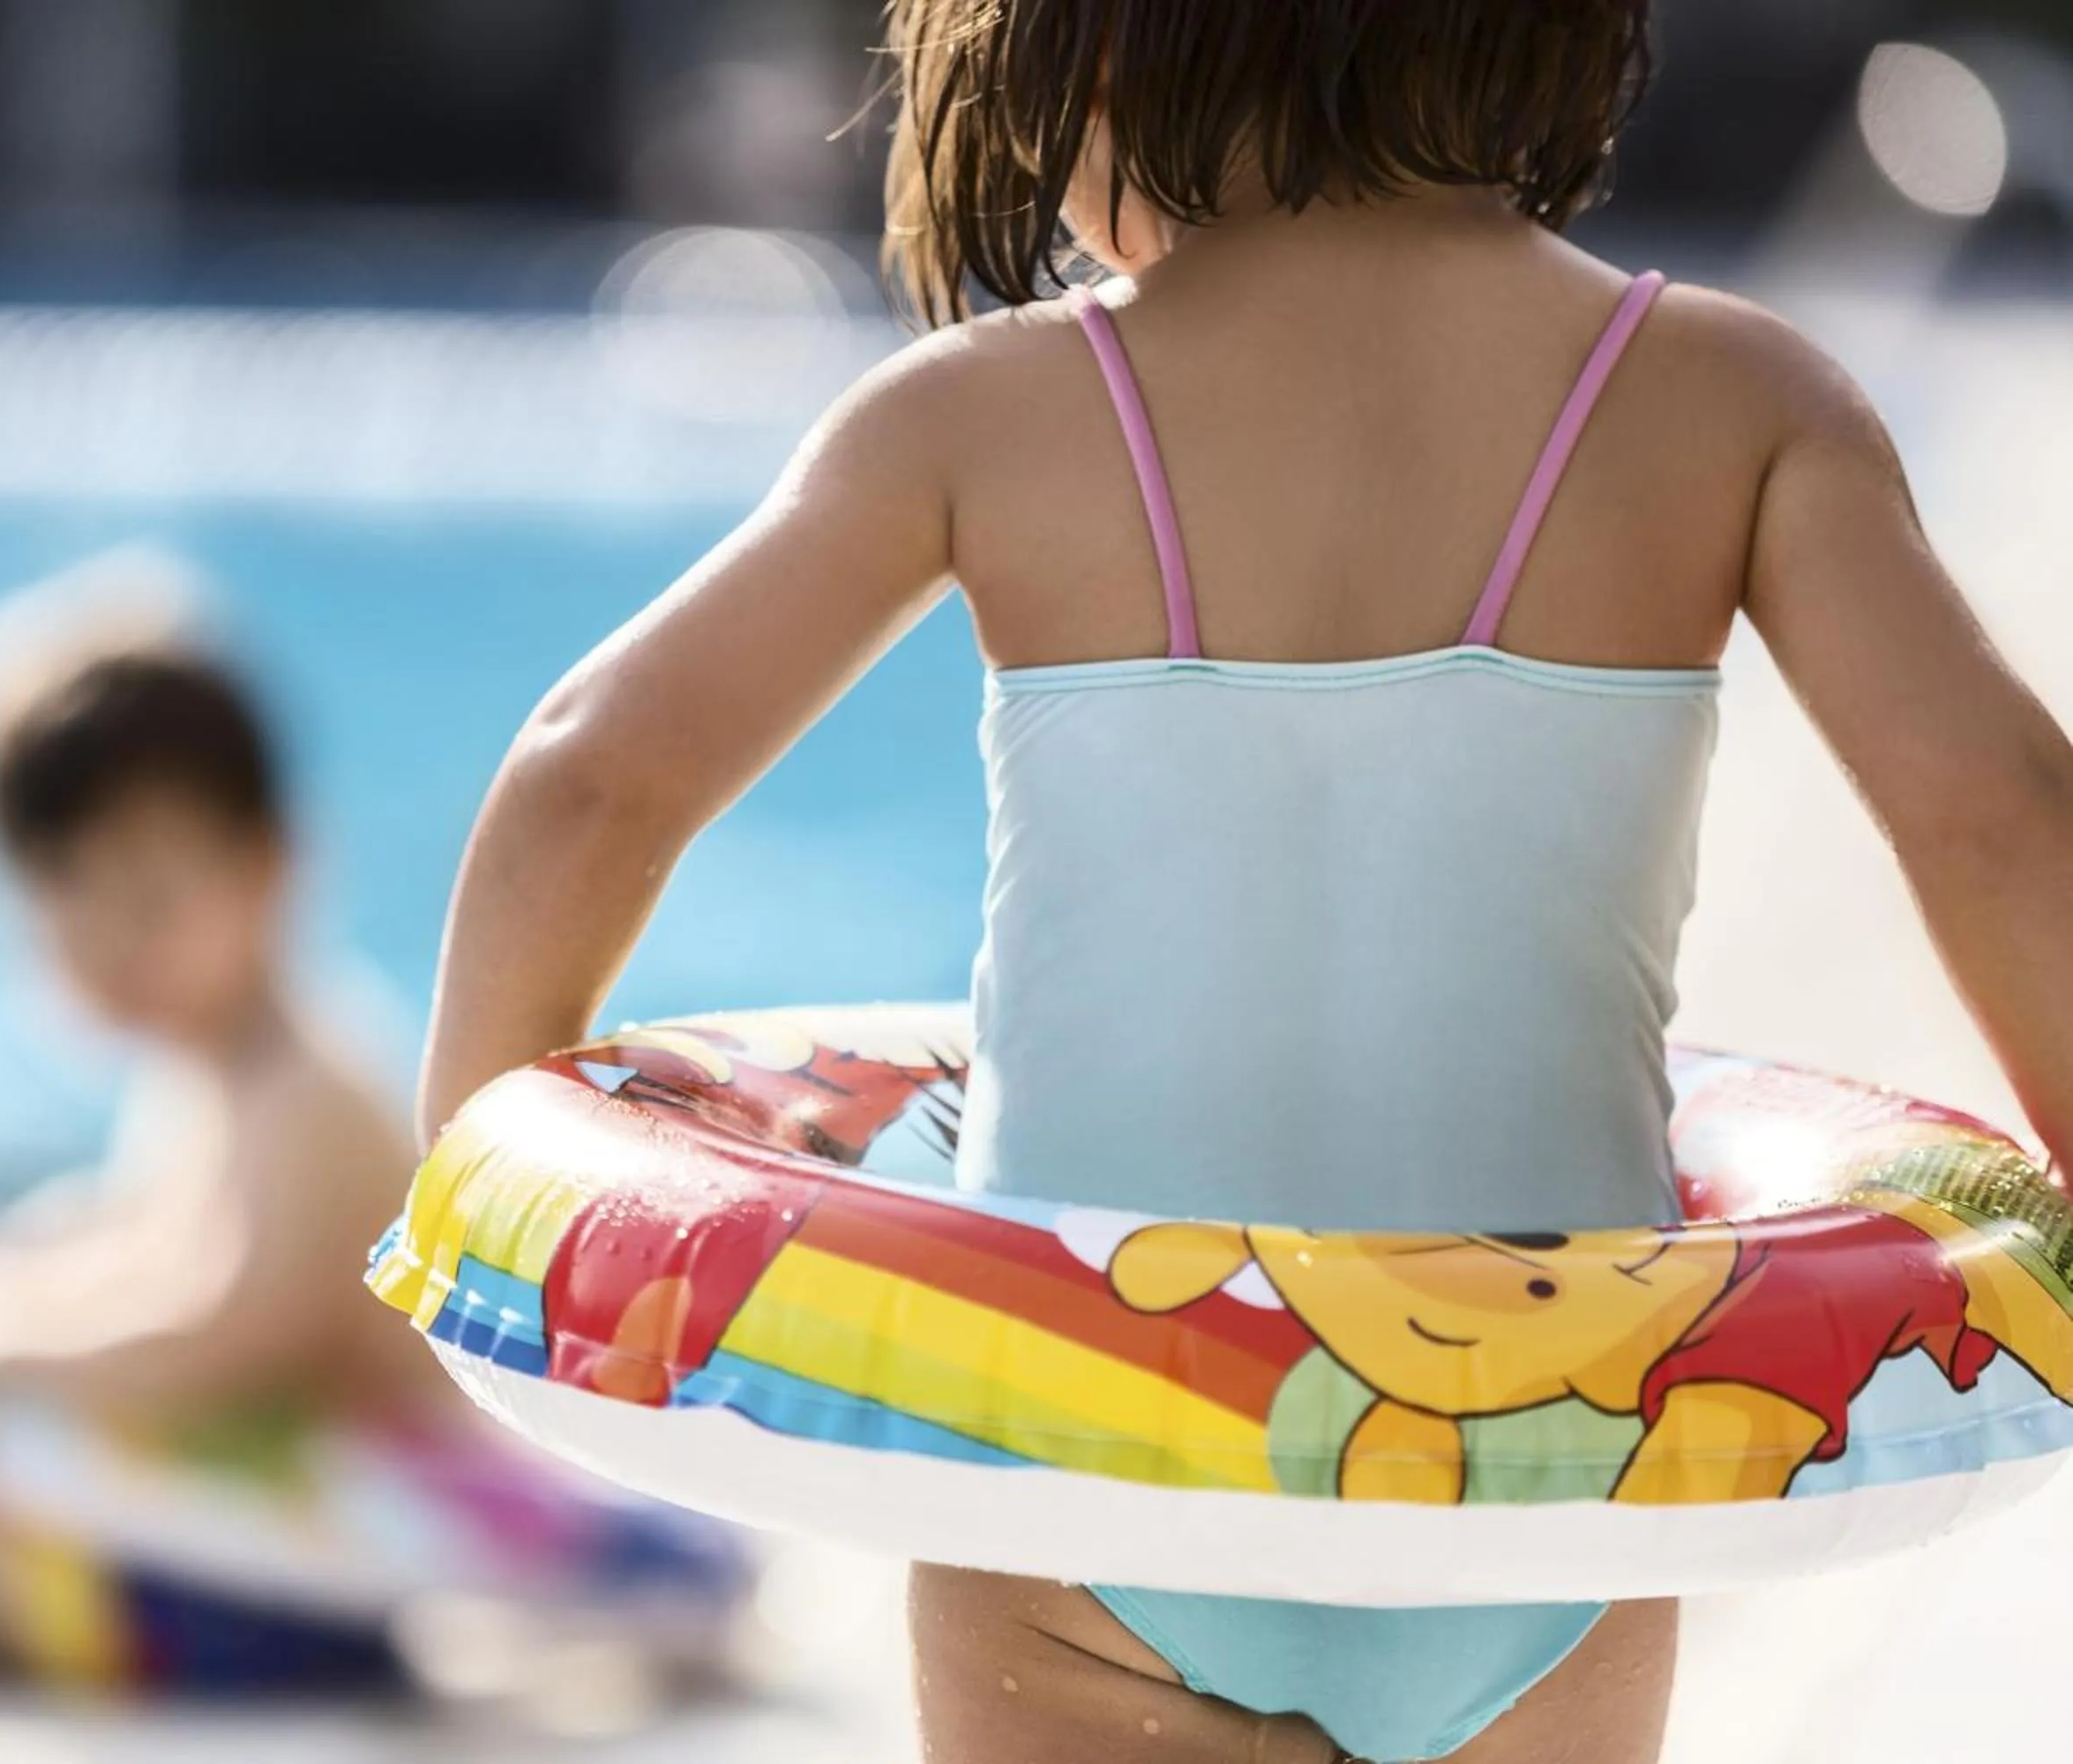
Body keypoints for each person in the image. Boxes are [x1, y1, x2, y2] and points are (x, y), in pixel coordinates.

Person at [411, 4, 2073, 1760]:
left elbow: (590, 773)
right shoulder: (1735, 404)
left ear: (1096, 56)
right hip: (1540, 1490)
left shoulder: (989, 415)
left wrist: (490, 1218)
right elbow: (2005, 812)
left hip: (1082, 1490)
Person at [0, 565, 743, 1738]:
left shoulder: (309, 1094)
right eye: (69, 911)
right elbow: (145, 1257)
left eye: (151, 901)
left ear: (268, 867)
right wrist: (14, 1304)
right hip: (260, 1557)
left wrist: (6, 1357)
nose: (111, 950)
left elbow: (229, 1330)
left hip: (292, 1614)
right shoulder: (210, 1077)